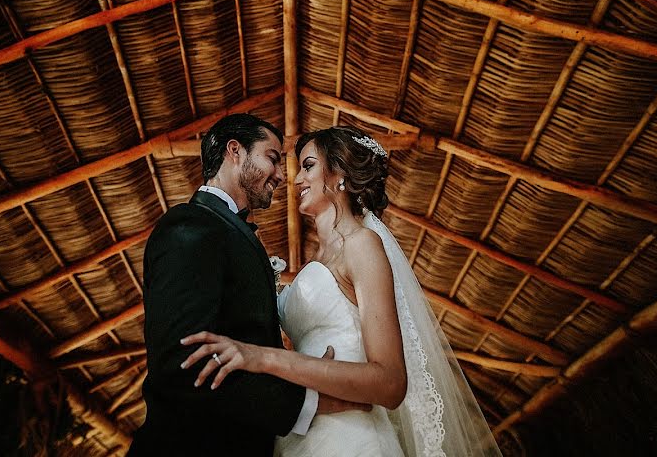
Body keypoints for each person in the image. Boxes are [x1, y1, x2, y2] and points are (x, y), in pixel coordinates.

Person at [181, 126, 503, 456]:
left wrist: (262, 358)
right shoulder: (314, 263)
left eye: (307, 166)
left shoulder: (362, 246)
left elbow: (390, 383)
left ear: (339, 174)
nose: (295, 181)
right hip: (302, 434)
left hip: (350, 439)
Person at [127, 115, 367, 457]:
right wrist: (306, 404)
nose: (282, 176)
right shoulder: (190, 227)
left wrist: (308, 371)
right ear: (235, 151)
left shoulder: (223, 232)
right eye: (272, 157)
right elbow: (184, 361)